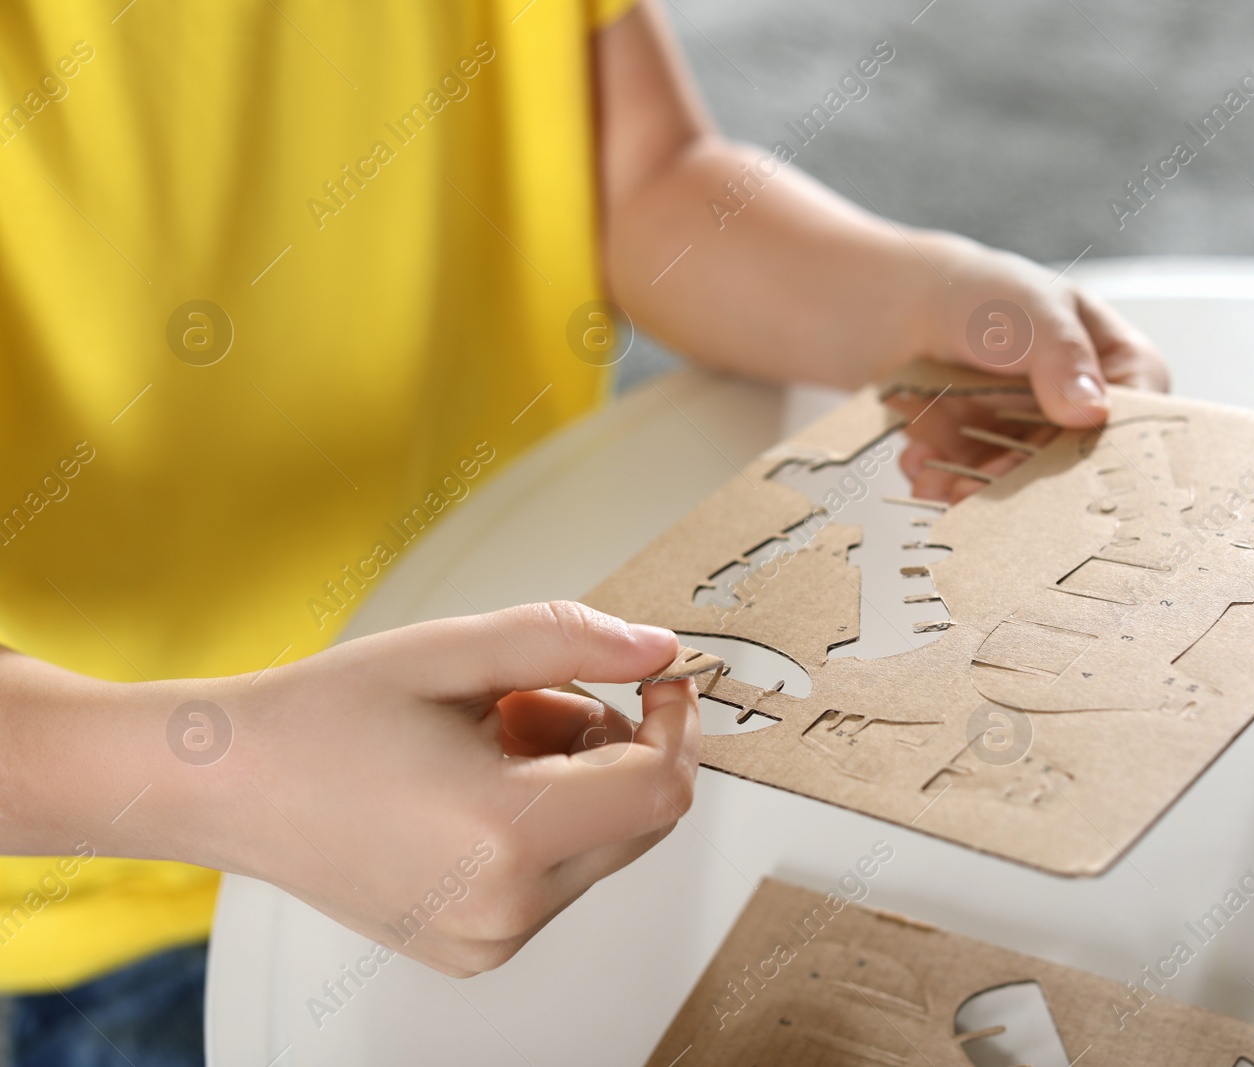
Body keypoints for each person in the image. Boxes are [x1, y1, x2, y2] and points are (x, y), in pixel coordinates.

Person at [0, 0, 1166, 1061]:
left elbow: (644, 178)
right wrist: (224, 775)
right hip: (110, 898)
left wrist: (906, 295)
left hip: (551, 740)